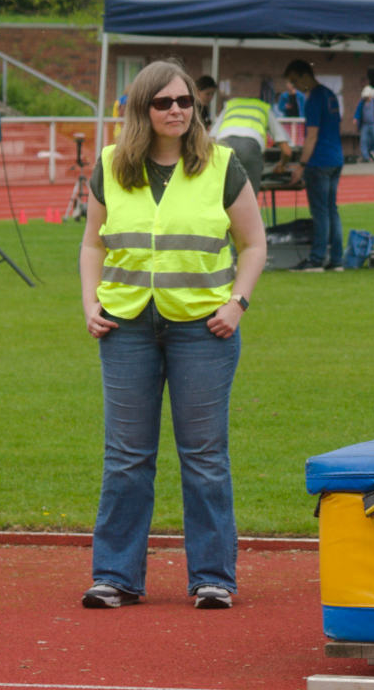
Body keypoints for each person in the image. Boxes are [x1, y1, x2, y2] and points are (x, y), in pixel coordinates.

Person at [77, 60, 266, 610]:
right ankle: (115, 576)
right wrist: (90, 303)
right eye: (164, 103)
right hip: (126, 324)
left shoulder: (222, 165)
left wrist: (238, 304)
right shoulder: (112, 165)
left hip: (203, 327)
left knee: (204, 455)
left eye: (185, 101)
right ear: (143, 109)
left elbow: (253, 243)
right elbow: (93, 243)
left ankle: (213, 577)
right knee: (126, 456)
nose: (178, 111)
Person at [284, 59, 344, 271]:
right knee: (331, 210)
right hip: (336, 158)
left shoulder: (313, 99)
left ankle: (317, 259)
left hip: (319, 161)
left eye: (294, 80)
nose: (294, 86)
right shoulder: (330, 95)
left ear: (303, 76)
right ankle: (337, 260)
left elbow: (311, 136)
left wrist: (301, 165)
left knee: (320, 213)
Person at [212, 89, 292, 192]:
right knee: (249, 201)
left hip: (222, 147)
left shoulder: (230, 105)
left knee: (220, 197)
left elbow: (210, 140)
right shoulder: (263, 107)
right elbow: (287, 151)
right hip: (250, 149)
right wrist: (281, 165)